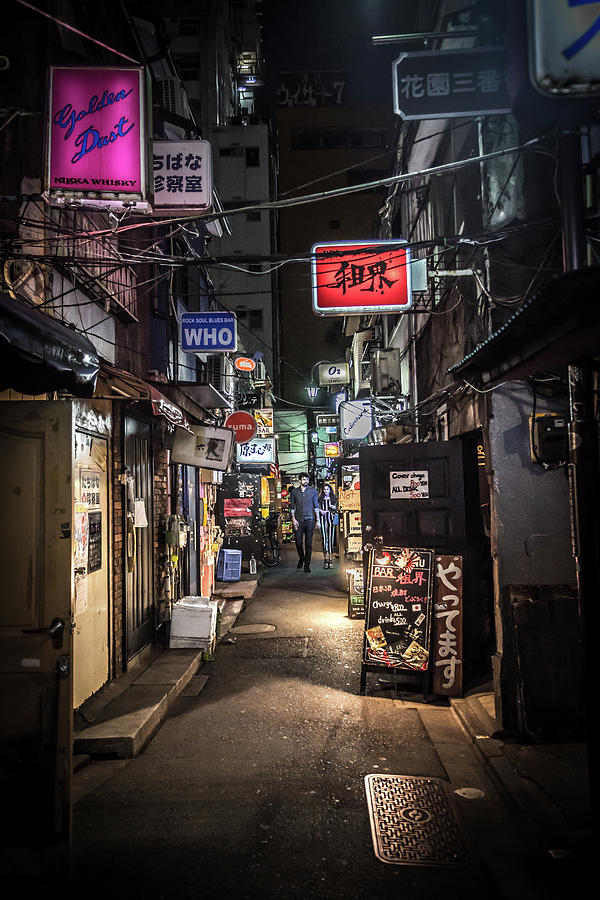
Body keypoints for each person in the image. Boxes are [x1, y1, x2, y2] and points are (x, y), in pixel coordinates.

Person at [290, 472, 320, 572]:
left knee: (308, 544)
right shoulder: (294, 492)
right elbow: (292, 507)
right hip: (298, 520)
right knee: (298, 543)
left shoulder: (313, 491)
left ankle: (307, 565)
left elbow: (316, 507)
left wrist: (318, 520)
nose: (305, 481)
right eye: (303, 479)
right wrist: (293, 519)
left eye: (307, 479)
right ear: (300, 481)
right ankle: (302, 557)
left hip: (310, 520)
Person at [318, 483, 338, 568]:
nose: (326, 491)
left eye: (327, 489)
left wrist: (333, 507)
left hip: (331, 520)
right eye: (324, 489)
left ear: (330, 490)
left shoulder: (334, 499)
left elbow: (337, 508)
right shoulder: (320, 499)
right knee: (324, 539)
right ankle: (325, 560)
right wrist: (320, 511)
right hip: (323, 519)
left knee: (330, 539)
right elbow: (316, 507)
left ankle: (330, 560)